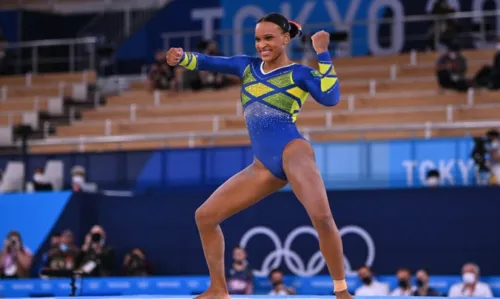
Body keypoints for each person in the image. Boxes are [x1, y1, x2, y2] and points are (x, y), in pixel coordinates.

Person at [167, 12, 350, 299]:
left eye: (269, 38)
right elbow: (207, 61)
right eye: (257, 39)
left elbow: (330, 98)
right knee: (205, 216)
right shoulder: (247, 67)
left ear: (286, 38)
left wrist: (323, 53)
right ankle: (218, 288)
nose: (262, 44)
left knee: (322, 218)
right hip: (263, 165)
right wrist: (181, 57)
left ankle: (341, 291)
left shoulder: (298, 73)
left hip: (293, 151)